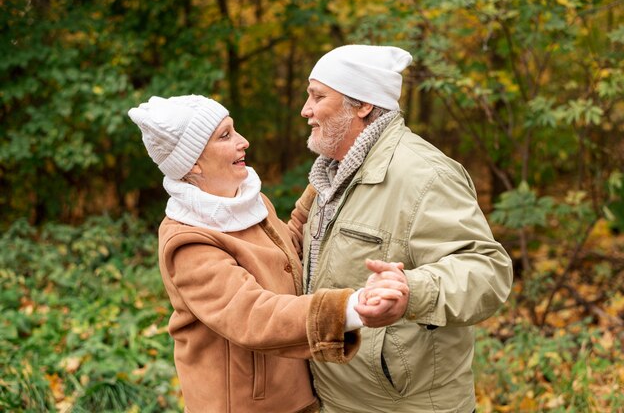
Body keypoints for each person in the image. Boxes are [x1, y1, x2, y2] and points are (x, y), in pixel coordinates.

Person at [127, 94, 407, 413]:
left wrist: (323, 188)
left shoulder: (245, 201)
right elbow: (252, 315)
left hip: (292, 391)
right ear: (192, 162)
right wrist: (350, 308)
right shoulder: (188, 241)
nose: (243, 141)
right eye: (225, 135)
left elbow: (279, 255)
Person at [300, 45, 514, 412]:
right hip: (336, 399)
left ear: (363, 104)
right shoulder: (331, 175)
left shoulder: (425, 175)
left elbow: (487, 270)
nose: (306, 110)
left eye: (318, 96)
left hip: (403, 405)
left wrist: (411, 293)